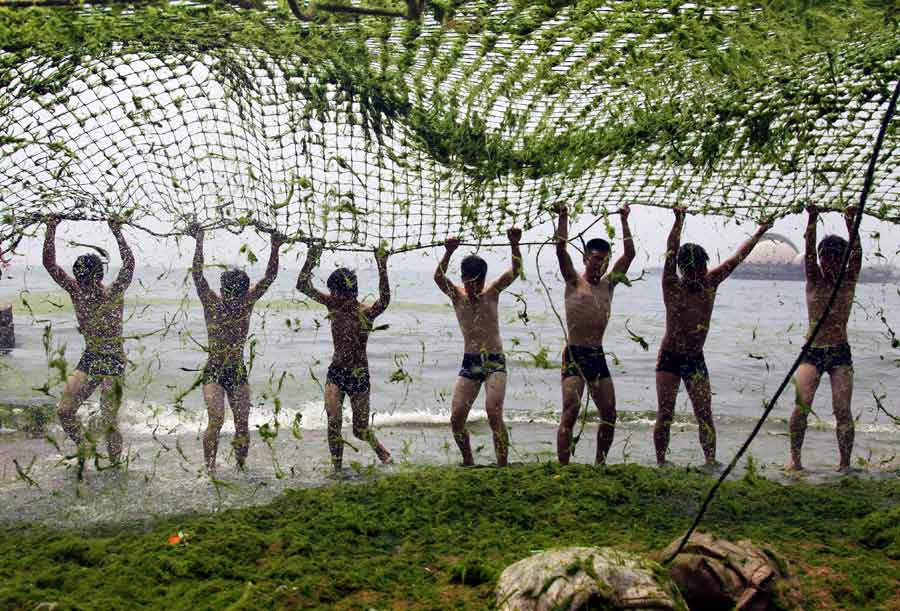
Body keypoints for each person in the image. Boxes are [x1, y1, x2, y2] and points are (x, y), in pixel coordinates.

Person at [654, 208, 772, 468]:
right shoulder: (671, 285)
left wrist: (761, 231)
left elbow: (738, 257)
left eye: (705, 266)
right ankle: (661, 461)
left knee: (704, 414)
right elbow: (671, 251)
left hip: (696, 358)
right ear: (687, 270)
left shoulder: (710, 282)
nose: (703, 271)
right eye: (698, 268)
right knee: (665, 414)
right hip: (669, 357)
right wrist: (678, 220)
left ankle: (710, 461)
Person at [189, 223, 285, 472]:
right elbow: (198, 275)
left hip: (237, 370)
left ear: (243, 292)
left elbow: (269, 277)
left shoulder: (247, 302)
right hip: (214, 371)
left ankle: (241, 467)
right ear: (222, 291)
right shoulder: (212, 303)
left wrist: (275, 246)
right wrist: (199, 241)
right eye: (230, 295)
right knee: (217, 419)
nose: (234, 301)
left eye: (238, 295)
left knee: (242, 424)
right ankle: (209, 469)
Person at [43, 214, 134, 470]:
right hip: (91, 356)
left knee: (109, 418)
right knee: (64, 411)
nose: (86, 287)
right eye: (81, 281)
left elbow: (129, 265)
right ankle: (83, 446)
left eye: (89, 281)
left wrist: (117, 233)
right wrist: (51, 229)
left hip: (114, 358)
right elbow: (50, 264)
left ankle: (115, 466)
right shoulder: (75, 290)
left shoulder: (113, 293)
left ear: (99, 277)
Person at [296, 240, 392, 471]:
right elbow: (302, 284)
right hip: (336, 372)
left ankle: (380, 449)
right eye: (332, 293)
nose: (332, 296)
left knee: (359, 430)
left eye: (336, 293)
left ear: (350, 292)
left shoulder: (366, 313)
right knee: (334, 421)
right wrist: (312, 255)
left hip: (359, 375)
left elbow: (385, 299)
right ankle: (337, 468)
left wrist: (382, 265)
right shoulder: (332, 306)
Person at [434, 228, 522, 467]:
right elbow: (439, 278)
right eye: (469, 282)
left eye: (478, 282)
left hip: (494, 361)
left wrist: (514, 243)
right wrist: (448, 251)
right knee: (456, 418)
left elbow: (515, 271)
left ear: (484, 279)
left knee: (494, 413)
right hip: (470, 362)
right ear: (462, 279)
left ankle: (502, 465)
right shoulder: (457, 295)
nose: (474, 287)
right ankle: (468, 461)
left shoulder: (491, 293)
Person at [554, 203, 635, 465]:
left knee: (609, 412)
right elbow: (560, 248)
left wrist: (624, 220)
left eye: (603, 260)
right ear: (586, 258)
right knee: (571, 410)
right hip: (575, 353)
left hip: (596, 354)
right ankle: (563, 467)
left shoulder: (609, 284)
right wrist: (563, 216)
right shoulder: (573, 280)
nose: (599, 264)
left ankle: (600, 463)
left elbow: (630, 254)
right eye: (595, 259)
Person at [788, 206, 861, 472]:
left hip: (840, 351)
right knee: (801, 406)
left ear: (842, 260)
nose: (828, 264)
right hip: (813, 351)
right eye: (825, 258)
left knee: (842, 410)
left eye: (834, 259)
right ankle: (795, 460)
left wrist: (850, 220)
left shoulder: (848, 278)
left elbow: (858, 254)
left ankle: (844, 464)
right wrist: (811, 218)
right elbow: (808, 252)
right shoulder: (814, 278)